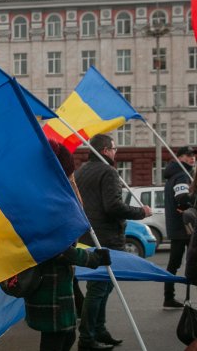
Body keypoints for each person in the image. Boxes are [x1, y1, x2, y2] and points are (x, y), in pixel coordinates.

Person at [24, 140, 112, 351]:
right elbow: (56, 247)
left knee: (67, 336)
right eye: (68, 172)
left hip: (57, 280)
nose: (71, 177)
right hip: (50, 281)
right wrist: (92, 259)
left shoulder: (43, 192)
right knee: (56, 340)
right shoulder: (44, 199)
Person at [76, 134, 152, 351]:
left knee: (102, 286)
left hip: (89, 237)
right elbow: (113, 207)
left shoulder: (82, 171)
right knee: (99, 288)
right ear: (106, 150)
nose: (116, 153)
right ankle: (87, 339)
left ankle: (98, 330)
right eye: (115, 149)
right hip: (107, 239)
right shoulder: (108, 172)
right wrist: (141, 212)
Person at [164, 146, 197, 308]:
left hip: (177, 227)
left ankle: (169, 297)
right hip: (185, 227)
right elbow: (183, 199)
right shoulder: (182, 175)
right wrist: (191, 206)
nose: (192, 158)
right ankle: (173, 298)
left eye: (194, 155)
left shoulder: (174, 174)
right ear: (180, 157)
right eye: (188, 155)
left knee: (174, 264)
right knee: (190, 263)